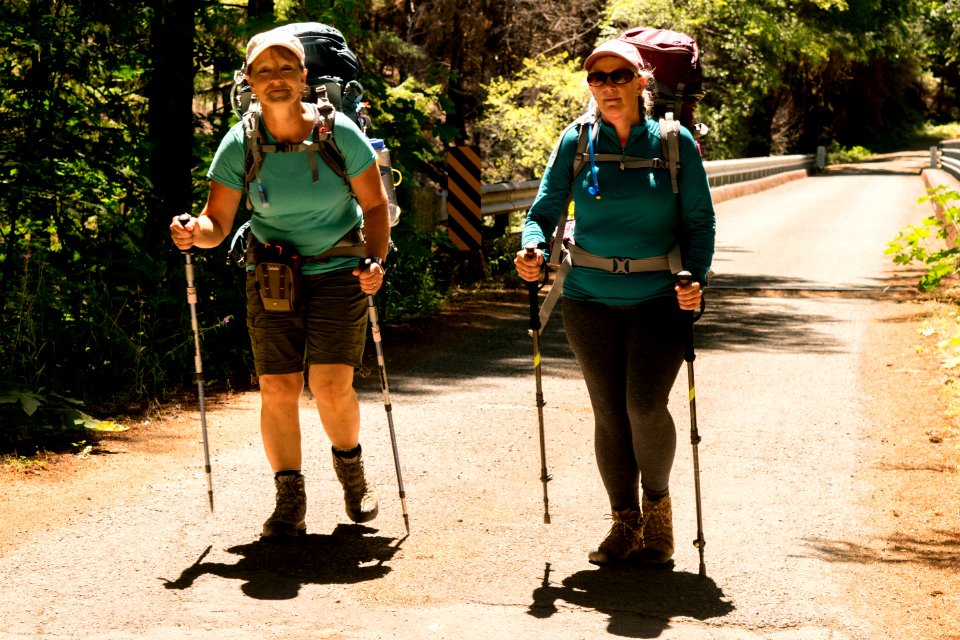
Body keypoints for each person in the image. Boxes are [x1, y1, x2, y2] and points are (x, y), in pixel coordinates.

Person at [170, 26, 391, 538]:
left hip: (340, 268)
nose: (275, 79)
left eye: (285, 69)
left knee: (331, 385)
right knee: (277, 386)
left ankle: (351, 473)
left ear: (303, 77)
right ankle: (289, 497)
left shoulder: (339, 135)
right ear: (248, 80)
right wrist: (191, 233)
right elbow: (216, 223)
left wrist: (376, 261)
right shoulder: (240, 142)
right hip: (272, 273)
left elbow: (376, 205)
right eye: (264, 71)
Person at [514, 38, 715, 566]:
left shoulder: (674, 144)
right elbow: (544, 207)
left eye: (619, 76)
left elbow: (700, 222)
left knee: (644, 406)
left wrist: (696, 276)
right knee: (609, 412)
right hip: (587, 296)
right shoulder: (576, 142)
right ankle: (624, 523)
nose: (607, 86)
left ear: (642, 82)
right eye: (597, 78)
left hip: (658, 295)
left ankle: (659, 518)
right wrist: (531, 246)